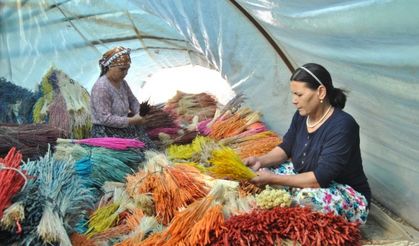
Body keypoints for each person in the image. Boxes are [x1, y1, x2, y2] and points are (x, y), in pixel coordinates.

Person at [245, 63, 371, 224]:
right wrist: (260, 160)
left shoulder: (343, 125)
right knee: (261, 170)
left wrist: (273, 179)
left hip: (344, 191)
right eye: (293, 94)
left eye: (299, 94)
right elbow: (286, 148)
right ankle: (290, 195)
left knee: (307, 198)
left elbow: (320, 178)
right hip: (306, 176)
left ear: (320, 92)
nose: (294, 101)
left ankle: (294, 200)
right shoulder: (302, 116)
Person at [90, 46, 155, 149]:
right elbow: (105, 119)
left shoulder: (122, 83)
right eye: (122, 69)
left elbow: (132, 100)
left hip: (123, 126)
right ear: (110, 67)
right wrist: (133, 120)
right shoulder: (101, 87)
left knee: (148, 146)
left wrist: (140, 113)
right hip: (107, 132)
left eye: (127, 69)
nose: (125, 73)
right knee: (137, 153)